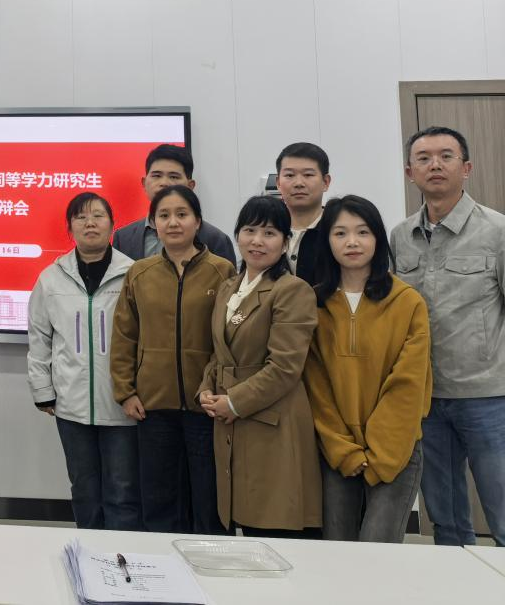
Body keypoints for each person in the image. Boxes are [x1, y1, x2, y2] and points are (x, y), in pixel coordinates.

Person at [391, 126, 505, 546]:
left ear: (466, 167)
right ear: (410, 172)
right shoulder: (400, 236)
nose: (434, 165)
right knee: (446, 520)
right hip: (426, 397)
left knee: (502, 513)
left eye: (446, 156)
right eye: (423, 159)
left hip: (488, 396)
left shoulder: (497, 231)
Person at [304, 195, 431, 543]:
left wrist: (380, 453)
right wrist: (343, 450)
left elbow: (408, 385)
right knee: (338, 550)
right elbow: (315, 387)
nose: (352, 242)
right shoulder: (313, 303)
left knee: (378, 551)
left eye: (362, 232)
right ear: (327, 241)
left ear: (377, 238)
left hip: (394, 450)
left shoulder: (407, 302)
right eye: (340, 233)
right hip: (337, 451)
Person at [110, 184, 235, 534]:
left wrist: (222, 391)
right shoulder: (140, 273)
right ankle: (162, 563)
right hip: (153, 407)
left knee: (209, 499)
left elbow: (230, 339)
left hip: (205, 406)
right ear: (154, 223)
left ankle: (211, 561)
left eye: (182, 214)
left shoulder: (222, 270)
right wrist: (125, 392)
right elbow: (124, 336)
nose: (173, 222)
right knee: (159, 498)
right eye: (164, 215)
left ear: (198, 221)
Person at [198, 196, 320, 537]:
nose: (257, 241)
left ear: (285, 242)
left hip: (273, 421)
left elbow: (285, 367)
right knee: (244, 523)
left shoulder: (292, 290)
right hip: (230, 419)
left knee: (273, 526)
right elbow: (218, 352)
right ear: (238, 235)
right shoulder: (228, 287)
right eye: (250, 230)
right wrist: (205, 389)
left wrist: (234, 402)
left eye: (269, 233)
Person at [27, 192, 139, 530]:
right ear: (70, 228)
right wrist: (43, 390)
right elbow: (39, 338)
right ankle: (90, 552)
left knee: (123, 491)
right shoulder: (51, 278)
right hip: (71, 405)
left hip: (122, 404)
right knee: (84, 490)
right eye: (81, 217)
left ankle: (122, 556)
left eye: (98, 216)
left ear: (112, 225)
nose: (90, 223)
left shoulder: (134, 274)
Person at [113, 144, 237, 267]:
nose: (164, 183)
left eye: (173, 177)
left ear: (190, 186)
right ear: (144, 183)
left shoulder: (216, 239)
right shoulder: (123, 238)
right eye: (157, 176)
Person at [276, 142, 331, 283]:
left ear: (326, 182)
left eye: (308, 175)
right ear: (278, 183)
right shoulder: (267, 230)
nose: (299, 183)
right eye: (289, 175)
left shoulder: (336, 229)